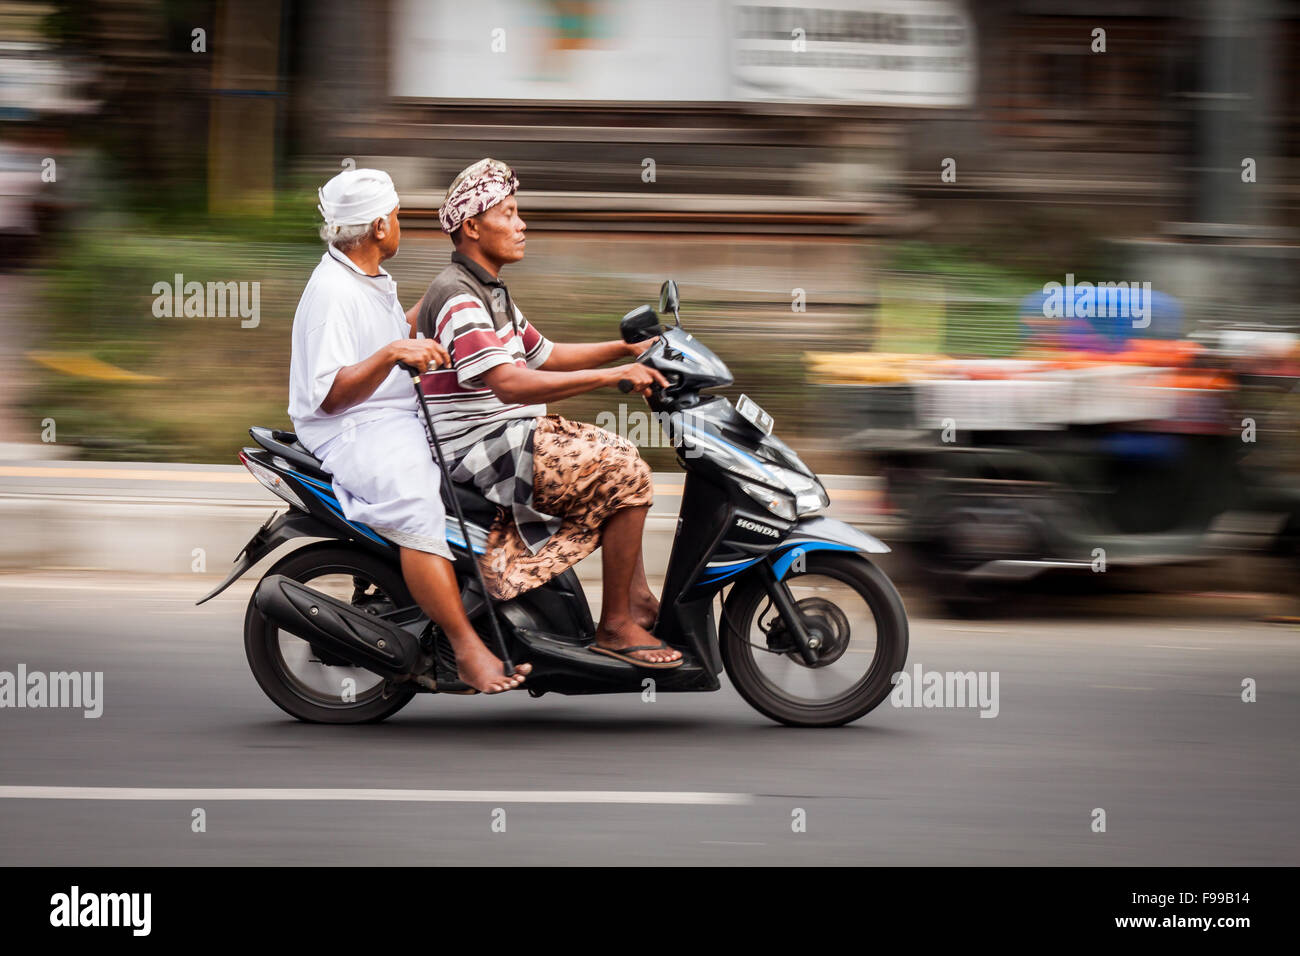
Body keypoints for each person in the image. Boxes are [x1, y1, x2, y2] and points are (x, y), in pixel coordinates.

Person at [412, 158, 683, 669]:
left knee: (621, 454)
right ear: (472, 227)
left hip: (503, 433)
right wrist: (609, 380)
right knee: (627, 471)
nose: (522, 225)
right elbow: (510, 383)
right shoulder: (457, 297)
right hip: (475, 446)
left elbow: (546, 355)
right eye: (509, 214)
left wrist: (625, 348)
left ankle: (635, 598)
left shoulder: (489, 291)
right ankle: (615, 627)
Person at [287, 167, 532, 693]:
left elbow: (390, 330)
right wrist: (395, 351)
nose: (401, 224)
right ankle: (467, 650)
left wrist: (443, 301)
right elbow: (330, 393)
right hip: (354, 429)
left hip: (393, 414)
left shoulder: (364, 276)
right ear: (378, 227)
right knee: (418, 508)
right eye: (396, 216)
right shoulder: (332, 292)